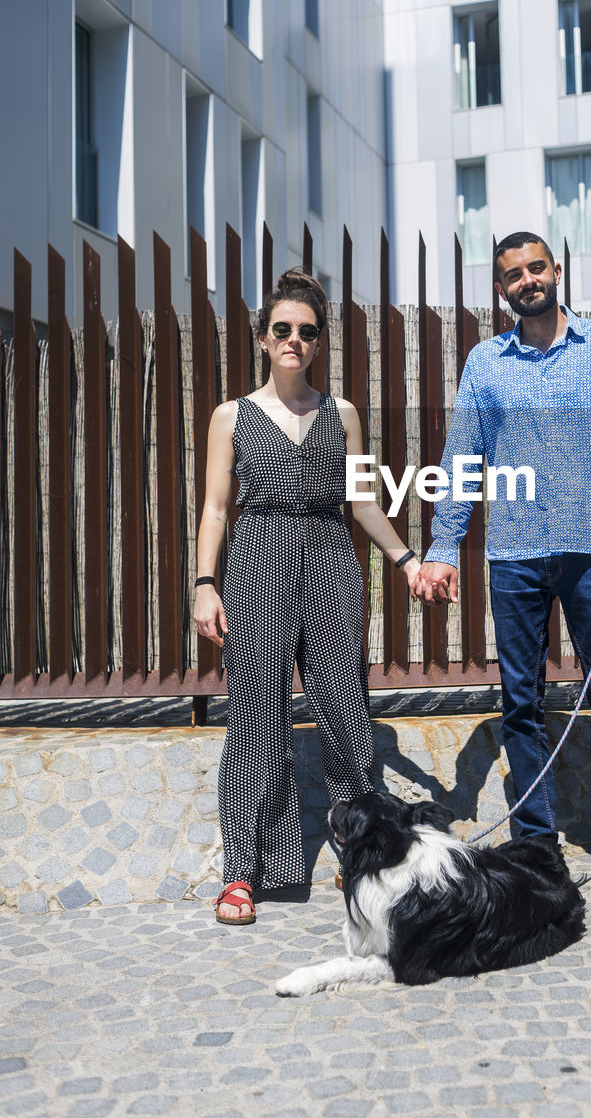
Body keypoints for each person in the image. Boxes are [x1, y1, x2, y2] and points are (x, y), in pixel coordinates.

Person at [413, 231, 591, 907]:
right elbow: (464, 459)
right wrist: (443, 548)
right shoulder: (486, 363)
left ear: (556, 271)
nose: (527, 279)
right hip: (516, 555)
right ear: (500, 290)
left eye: (536, 267)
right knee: (520, 705)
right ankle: (535, 850)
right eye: (513, 274)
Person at [194, 270, 420, 923]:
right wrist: (204, 583)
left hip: (328, 559)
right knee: (255, 718)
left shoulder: (342, 414)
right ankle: (245, 871)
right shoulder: (231, 416)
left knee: (347, 711)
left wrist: (404, 558)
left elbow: (361, 502)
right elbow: (214, 508)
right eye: (283, 329)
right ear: (264, 338)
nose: (295, 340)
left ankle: (366, 858)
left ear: (319, 343)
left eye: (308, 332)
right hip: (257, 558)